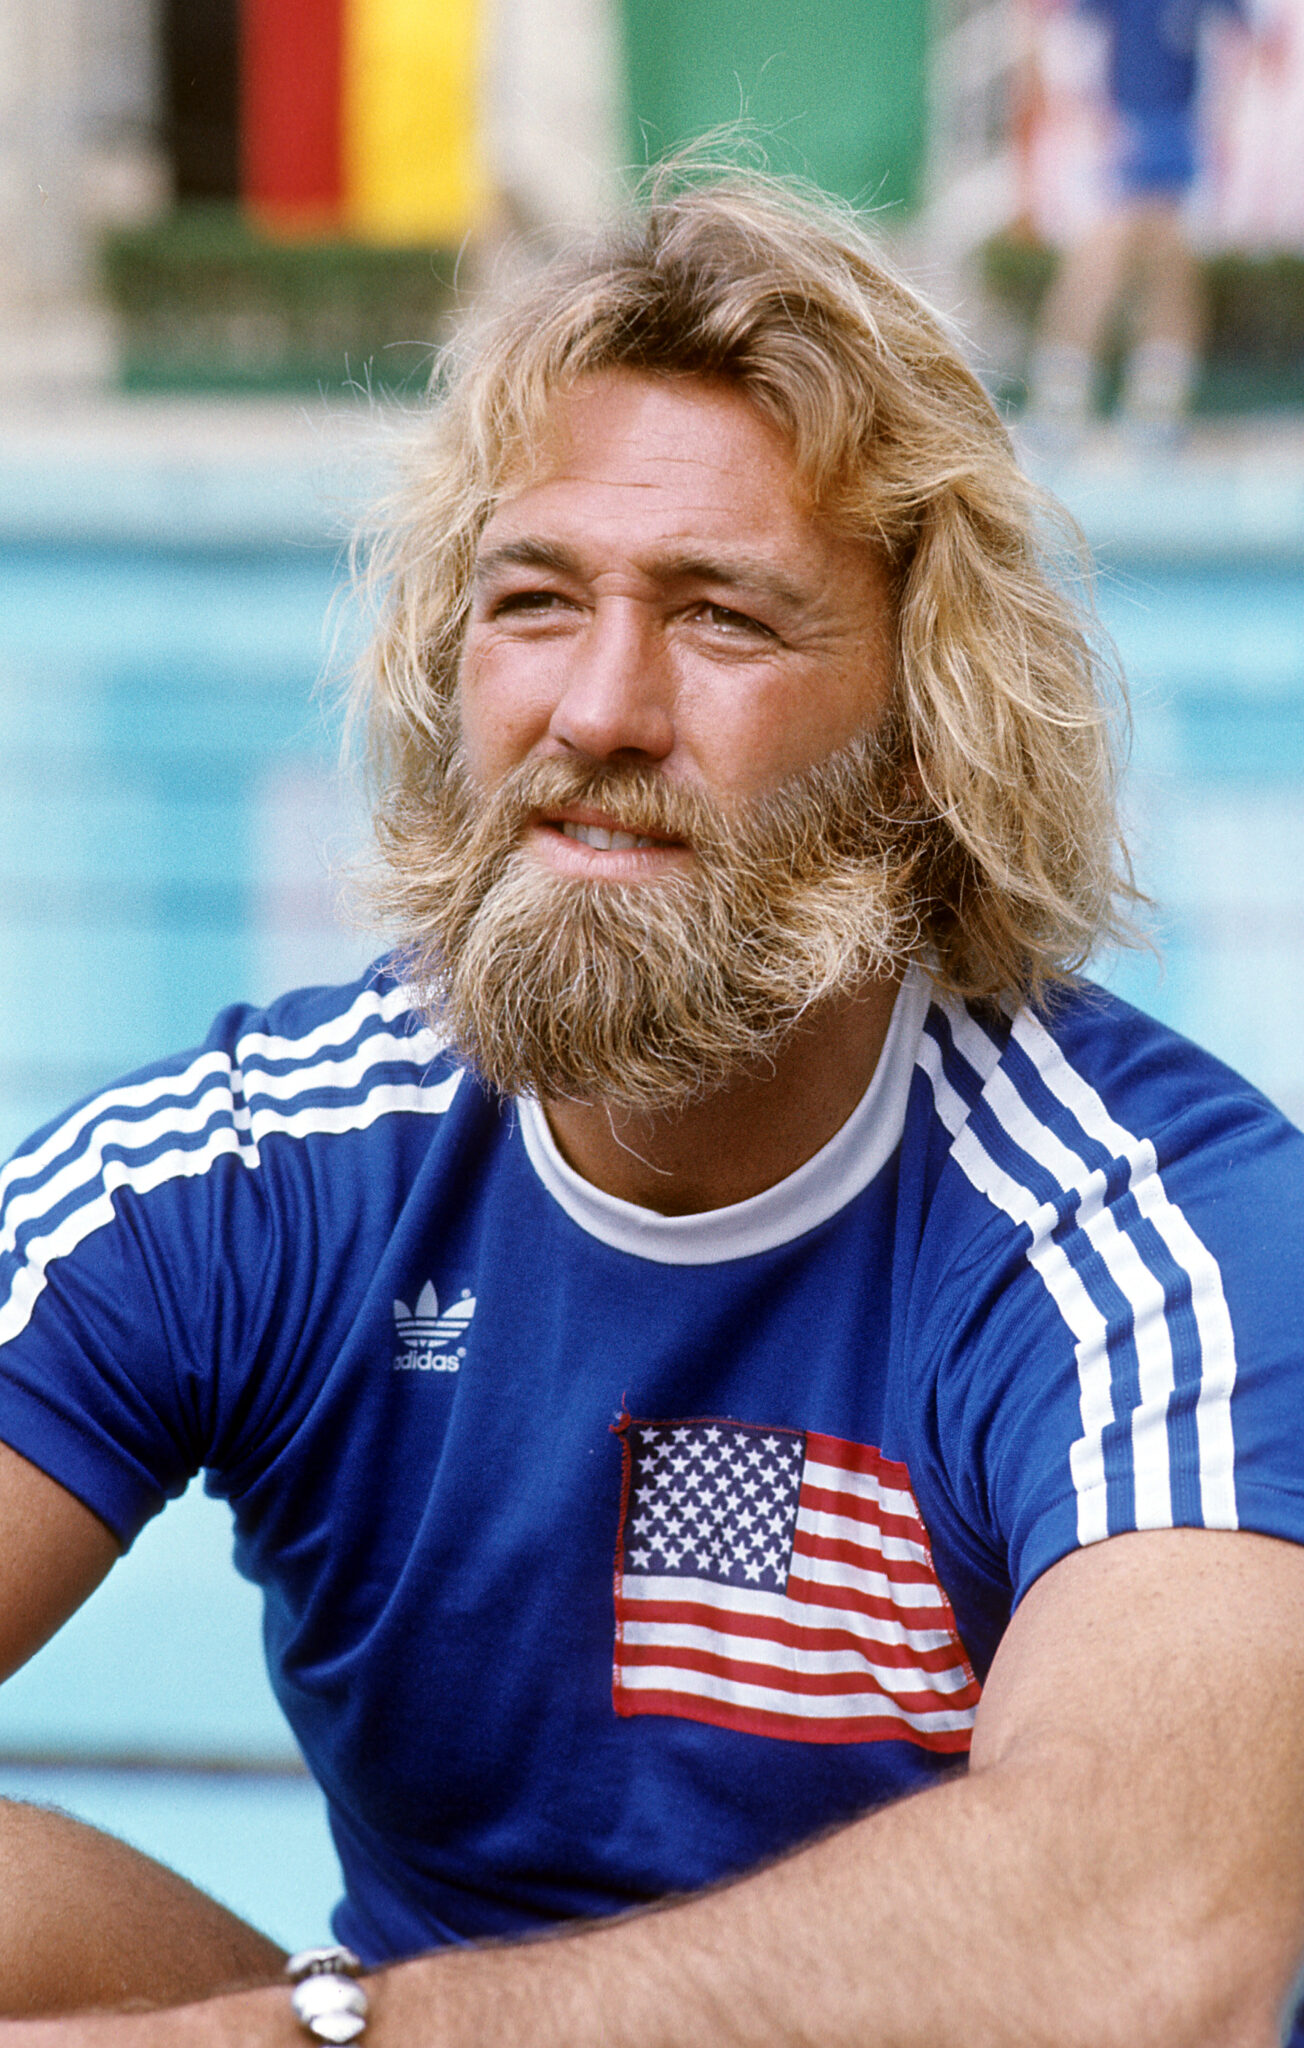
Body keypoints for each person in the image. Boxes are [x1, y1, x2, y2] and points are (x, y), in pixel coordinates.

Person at [1, 170, 1304, 2048]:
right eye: (534, 600)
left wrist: (302, 2039)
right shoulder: (259, 1166)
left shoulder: (1142, 1227)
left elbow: (1139, 1951)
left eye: (722, 619)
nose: (598, 707)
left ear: (925, 725)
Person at [1025, 0, 1251, 439]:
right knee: (1101, 259)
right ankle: (1060, 396)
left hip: (1183, 130)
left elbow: (1242, 44)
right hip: (1120, 125)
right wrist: (1084, 117)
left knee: (1172, 262)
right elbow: (1058, 34)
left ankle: (1158, 400)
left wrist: (1224, 129)